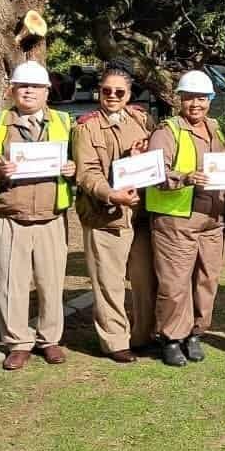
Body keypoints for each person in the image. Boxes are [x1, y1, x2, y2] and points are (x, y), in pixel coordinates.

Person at [0, 61, 76, 371]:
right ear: (12, 89)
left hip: (51, 216)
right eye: (22, 86)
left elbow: (83, 162)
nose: (29, 91)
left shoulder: (66, 123)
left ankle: (50, 339)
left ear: (46, 91)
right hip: (11, 216)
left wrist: (74, 169)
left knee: (51, 282)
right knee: (10, 283)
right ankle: (17, 342)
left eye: (36, 86)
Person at [71, 59, 157, 363]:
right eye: (106, 90)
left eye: (119, 92)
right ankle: (115, 341)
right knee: (109, 282)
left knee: (145, 281)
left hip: (141, 215)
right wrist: (111, 194)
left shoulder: (141, 120)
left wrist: (141, 156)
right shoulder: (86, 128)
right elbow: (87, 174)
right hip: (105, 216)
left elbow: (154, 157)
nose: (112, 96)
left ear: (129, 95)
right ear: (99, 92)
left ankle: (143, 335)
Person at [146, 70, 225, 368]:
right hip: (176, 219)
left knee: (206, 280)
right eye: (190, 97)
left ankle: (195, 332)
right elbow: (154, 174)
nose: (196, 104)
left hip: (212, 218)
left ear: (210, 100)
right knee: (175, 283)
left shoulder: (215, 129)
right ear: (179, 99)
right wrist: (185, 177)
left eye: (202, 98)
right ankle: (171, 337)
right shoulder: (167, 132)